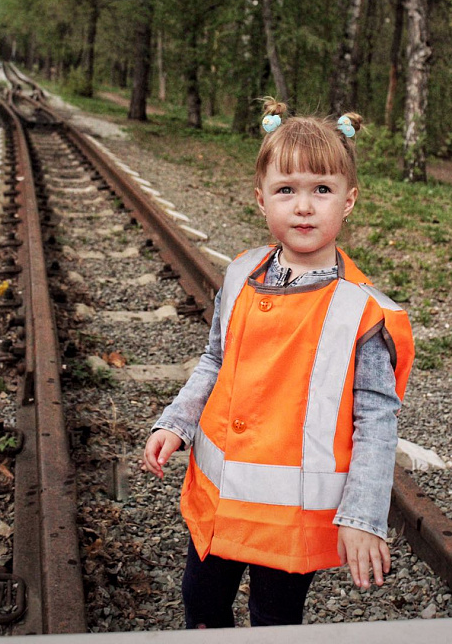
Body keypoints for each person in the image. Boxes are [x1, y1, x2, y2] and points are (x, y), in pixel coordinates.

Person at [143, 98, 414, 629]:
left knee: (274, 618)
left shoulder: (364, 314)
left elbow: (377, 424)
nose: (304, 206)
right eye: (287, 190)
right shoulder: (241, 274)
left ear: (349, 200)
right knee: (201, 603)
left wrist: (362, 518)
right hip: (219, 504)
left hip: (290, 521)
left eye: (322, 190)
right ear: (261, 199)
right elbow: (214, 361)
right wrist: (177, 422)